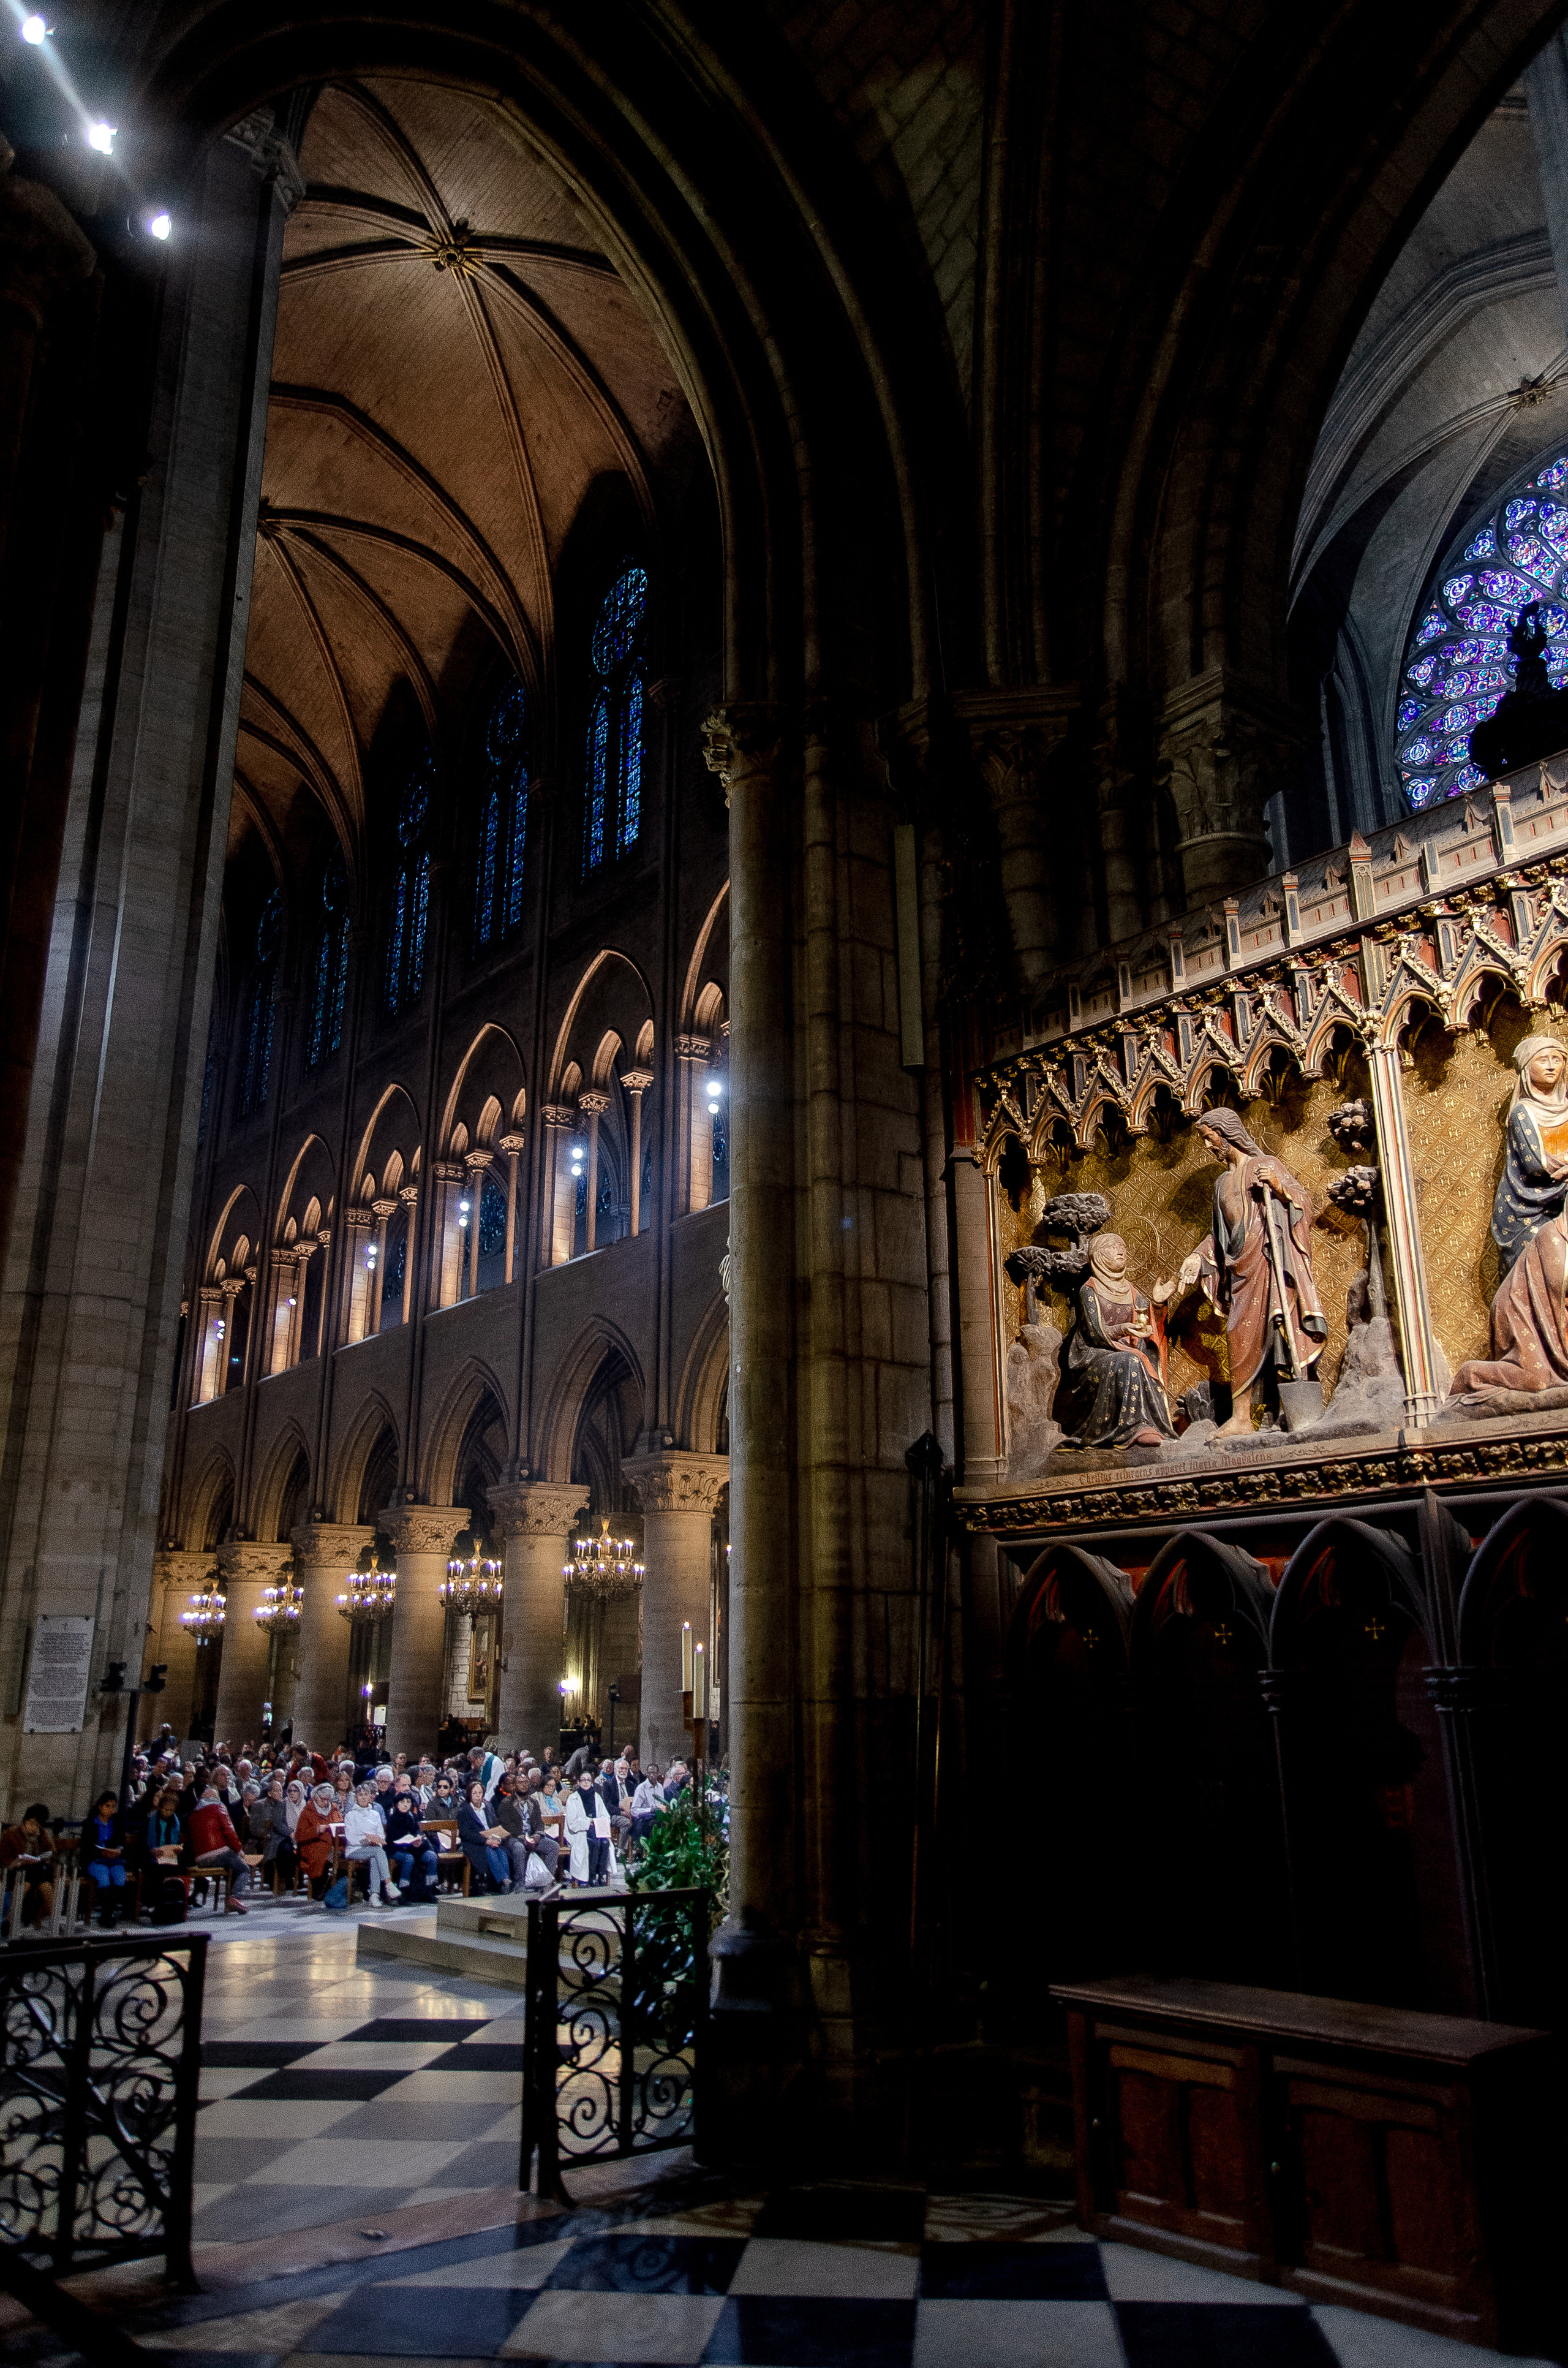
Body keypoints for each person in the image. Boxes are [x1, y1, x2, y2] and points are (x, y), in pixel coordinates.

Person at [1174, 1107, 1327, 1437]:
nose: (1208, 1146)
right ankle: (1242, 1417)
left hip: (1271, 1262)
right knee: (1239, 1334)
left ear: (1226, 1133)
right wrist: (1197, 1257)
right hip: (1241, 1268)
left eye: (1209, 1138)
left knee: (1283, 1330)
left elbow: (1304, 1204)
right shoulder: (1221, 1183)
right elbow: (1219, 1236)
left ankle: (1289, 1412)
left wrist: (1279, 1187)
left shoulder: (1265, 1165)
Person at [1055, 1233, 1176, 1448]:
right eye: (1113, 1247)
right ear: (1098, 1255)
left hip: (1127, 1354)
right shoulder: (1089, 1290)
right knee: (1129, 1361)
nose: (1121, 1251)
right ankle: (1133, 1427)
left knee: (1134, 1359)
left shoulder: (1132, 1291)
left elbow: (1146, 1326)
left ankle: (1147, 1424)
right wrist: (1123, 1329)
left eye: (1122, 1247)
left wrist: (1157, 1304)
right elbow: (1093, 1333)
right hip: (1092, 1359)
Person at [1487, 1034, 1568, 1275]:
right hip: (1527, 1209)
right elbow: (1537, 1164)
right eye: (1543, 1060)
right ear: (1526, 1069)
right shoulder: (1523, 1112)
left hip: (1563, 1198)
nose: (1551, 1066)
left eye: (1557, 1059)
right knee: (1542, 1271)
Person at [186, 1785, 252, 1914]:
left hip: (200, 1859)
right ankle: (235, 1898)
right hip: (218, 1854)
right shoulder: (218, 1807)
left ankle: (231, 1900)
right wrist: (239, 1850)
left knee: (233, 1867)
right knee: (244, 1869)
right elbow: (229, 1831)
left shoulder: (193, 1814)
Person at [344, 1783, 401, 1905]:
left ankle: (374, 1895)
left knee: (375, 1857)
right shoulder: (350, 1815)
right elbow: (351, 1838)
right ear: (356, 1797)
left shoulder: (375, 1814)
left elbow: (380, 1834)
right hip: (355, 1849)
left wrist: (377, 1842)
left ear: (370, 1796)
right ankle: (388, 1883)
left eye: (366, 1795)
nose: (363, 1797)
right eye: (360, 1795)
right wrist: (368, 1841)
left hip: (373, 1849)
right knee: (378, 1852)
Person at [0, 1804, 57, 1927]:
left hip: (36, 1870)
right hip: (17, 1871)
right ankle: (10, 1918)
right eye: (32, 1823)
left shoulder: (42, 1834)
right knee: (25, 1884)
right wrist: (16, 1862)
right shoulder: (12, 1833)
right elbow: (3, 1858)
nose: (34, 1827)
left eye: (38, 1825)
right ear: (25, 1820)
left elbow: (51, 1851)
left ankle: (53, 1919)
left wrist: (46, 1857)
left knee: (46, 1886)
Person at [385, 1782, 439, 1900]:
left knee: (432, 1856)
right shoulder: (393, 1819)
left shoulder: (413, 1817)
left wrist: (419, 1840)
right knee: (409, 1859)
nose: (406, 1805)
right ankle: (404, 1891)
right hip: (397, 1849)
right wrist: (408, 1842)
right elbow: (394, 1838)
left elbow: (418, 1832)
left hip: (415, 1848)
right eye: (403, 1802)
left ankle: (429, 1890)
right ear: (397, 1804)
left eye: (408, 1802)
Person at [457, 1780, 512, 1891]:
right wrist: (485, 1841)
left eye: (480, 1793)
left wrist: (497, 1838)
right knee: (489, 1851)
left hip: (492, 1839)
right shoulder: (464, 1810)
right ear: (469, 1795)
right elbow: (466, 1833)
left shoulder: (488, 1806)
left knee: (501, 1851)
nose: (478, 1796)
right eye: (474, 1793)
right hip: (475, 1843)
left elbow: (495, 1825)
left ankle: (505, 1883)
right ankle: (505, 1881)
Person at [564, 1768, 611, 1886]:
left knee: (605, 1842)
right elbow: (572, 1822)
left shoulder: (597, 1797)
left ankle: (601, 1875)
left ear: (592, 1782)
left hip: (596, 1828)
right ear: (578, 1782)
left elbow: (605, 1815)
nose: (586, 1782)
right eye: (583, 1780)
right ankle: (590, 1876)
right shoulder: (573, 1798)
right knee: (594, 1843)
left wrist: (597, 1822)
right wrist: (589, 1822)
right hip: (579, 1831)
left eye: (588, 1780)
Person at [295, 1784, 342, 1901]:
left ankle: (332, 1889)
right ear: (316, 1797)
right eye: (323, 1799)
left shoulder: (334, 1809)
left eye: (328, 1799)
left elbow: (340, 1824)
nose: (326, 1802)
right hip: (312, 1845)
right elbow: (299, 1836)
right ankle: (318, 1890)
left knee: (345, 1857)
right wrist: (316, 1830)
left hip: (333, 1845)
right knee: (321, 1859)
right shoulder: (308, 1811)